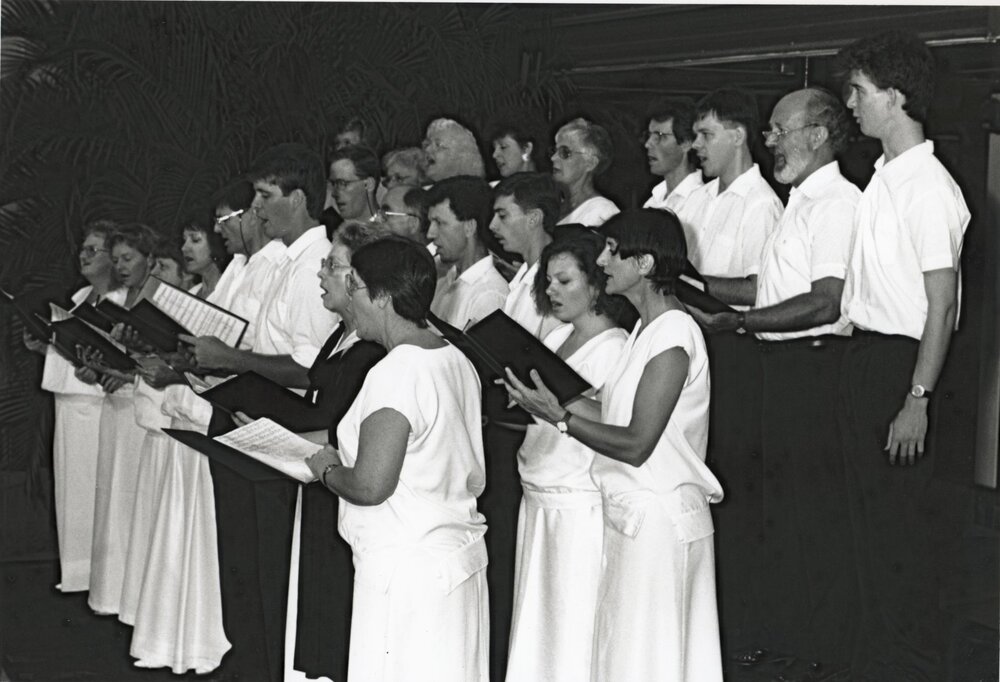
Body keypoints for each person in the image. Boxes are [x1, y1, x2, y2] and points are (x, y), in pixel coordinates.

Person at [504, 208, 723, 681]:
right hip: (631, 516)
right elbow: (611, 414)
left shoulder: (673, 337)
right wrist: (550, 398)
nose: (602, 260)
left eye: (612, 250)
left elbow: (637, 442)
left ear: (643, 264)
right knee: (621, 659)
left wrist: (560, 419)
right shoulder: (647, 331)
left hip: (660, 521)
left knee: (648, 660)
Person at [700, 87, 861, 673]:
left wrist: (738, 323)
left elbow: (824, 302)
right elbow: (768, 290)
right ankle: (790, 638)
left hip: (812, 369)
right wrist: (691, 285)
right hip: (779, 369)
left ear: (816, 135)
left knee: (811, 514)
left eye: (778, 130)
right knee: (781, 511)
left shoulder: (837, 203)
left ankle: (824, 653)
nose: (769, 142)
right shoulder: (800, 200)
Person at [836, 31, 970, 681]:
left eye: (860, 91)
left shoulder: (929, 189)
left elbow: (940, 307)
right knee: (868, 530)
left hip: (902, 367)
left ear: (895, 96)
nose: (851, 103)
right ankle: (876, 660)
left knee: (901, 535)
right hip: (867, 360)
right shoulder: (884, 178)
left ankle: (910, 666)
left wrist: (916, 400)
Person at [182, 143, 338, 682]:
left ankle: (268, 663)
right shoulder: (282, 262)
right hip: (249, 416)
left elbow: (308, 371)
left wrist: (230, 359)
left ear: (298, 198)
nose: (257, 209)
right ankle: (249, 658)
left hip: (284, 428)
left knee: (271, 559)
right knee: (243, 555)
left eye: (266, 197)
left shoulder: (314, 267)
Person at [305, 237, 489, 682]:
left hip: (407, 573)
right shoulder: (453, 356)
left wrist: (326, 469)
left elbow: (370, 485)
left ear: (384, 296)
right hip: (451, 563)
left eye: (357, 287)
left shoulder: (397, 371)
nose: (350, 297)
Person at [127, 178, 287, 675]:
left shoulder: (275, 267)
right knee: (221, 549)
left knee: (239, 552)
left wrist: (188, 367)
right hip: (211, 406)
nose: (222, 232)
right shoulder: (243, 269)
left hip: (240, 412)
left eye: (225, 220)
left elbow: (253, 350)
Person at [680, 88, 782, 653]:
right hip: (695, 343)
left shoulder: (760, 203)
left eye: (705, 134)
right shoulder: (701, 199)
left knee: (730, 482)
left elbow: (757, 289)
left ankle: (739, 627)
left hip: (734, 350)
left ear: (739, 134)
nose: (696, 147)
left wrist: (690, 284)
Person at [505, 232, 629, 682]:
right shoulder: (557, 339)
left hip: (579, 503)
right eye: (548, 282)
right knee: (538, 625)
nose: (552, 291)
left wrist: (556, 402)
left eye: (565, 280)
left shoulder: (615, 347)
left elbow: (617, 421)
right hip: (538, 494)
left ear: (596, 284)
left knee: (572, 629)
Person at [286, 219, 388, 682]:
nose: (321, 274)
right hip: (319, 477)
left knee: (340, 610)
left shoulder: (373, 348)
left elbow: (347, 427)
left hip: (342, 479)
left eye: (333, 265)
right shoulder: (341, 334)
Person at [23, 220, 125, 593]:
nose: (83, 256)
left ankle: (100, 577)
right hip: (69, 403)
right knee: (73, 492)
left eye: (93, 250)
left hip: (99, 404)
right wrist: (45, 345)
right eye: (82, 249)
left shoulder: (120, 302)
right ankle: (78, 574)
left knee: (98, 493)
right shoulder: (81, 297)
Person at [87, 223, 159, 616]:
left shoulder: (157, 298)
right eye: (115, 260)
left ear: (148, 257)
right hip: (116, 405)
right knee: (113, 500)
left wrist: (125, 370)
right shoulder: (113, 299)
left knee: (136, 502)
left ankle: (135, 600)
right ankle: (111, 594)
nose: (121, 266)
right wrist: (97, 365)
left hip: (141, 407)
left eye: (128, 258)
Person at [117, 244, 190, 628]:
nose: (156, 274)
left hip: (179, 425)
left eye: (165, 266)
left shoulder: (191, 304)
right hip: (159, 421)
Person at [426, 175, 509, 328]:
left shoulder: (489, 295)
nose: (430, 234)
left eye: (439, 223)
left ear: (469, 227)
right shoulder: (444, 280)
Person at [491, 172, 567, 339]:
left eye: (502, 216)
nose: (493, 225)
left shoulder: (555, 284)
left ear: (533, 218)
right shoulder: (523, 274)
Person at [550, 118, 619, 227]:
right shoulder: (553, 206)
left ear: (590, 163)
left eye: (564, 152)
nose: (553, 158)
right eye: (555, 151)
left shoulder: (603, 212)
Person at [641, 97, 703, 216]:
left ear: (686, 143)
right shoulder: (653, 201)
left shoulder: (701, 202)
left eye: (659, 136)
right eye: (649, 135)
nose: (648, 144)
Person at [423, 117, 486, 182]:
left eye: (438, 145)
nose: (427, 149)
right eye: (428, 143)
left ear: (460, 157)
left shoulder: (473, 190)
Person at [179, 213, 228, 297]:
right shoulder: (190, 294)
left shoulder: (230, 292)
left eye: (195, 239)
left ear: (216, 243)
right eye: (184, 240)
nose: (184, 248)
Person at [328, 145, 380, 223]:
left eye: (342, 183)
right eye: (333, 183)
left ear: (369, 184)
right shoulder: (331, 230)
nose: (334, 193)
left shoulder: (392, 231)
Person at [487, 113, 544, 178]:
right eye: (494, 148)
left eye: (503, 147)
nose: (494, 155)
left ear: (526, 149)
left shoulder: (547, 186)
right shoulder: (494, 186)